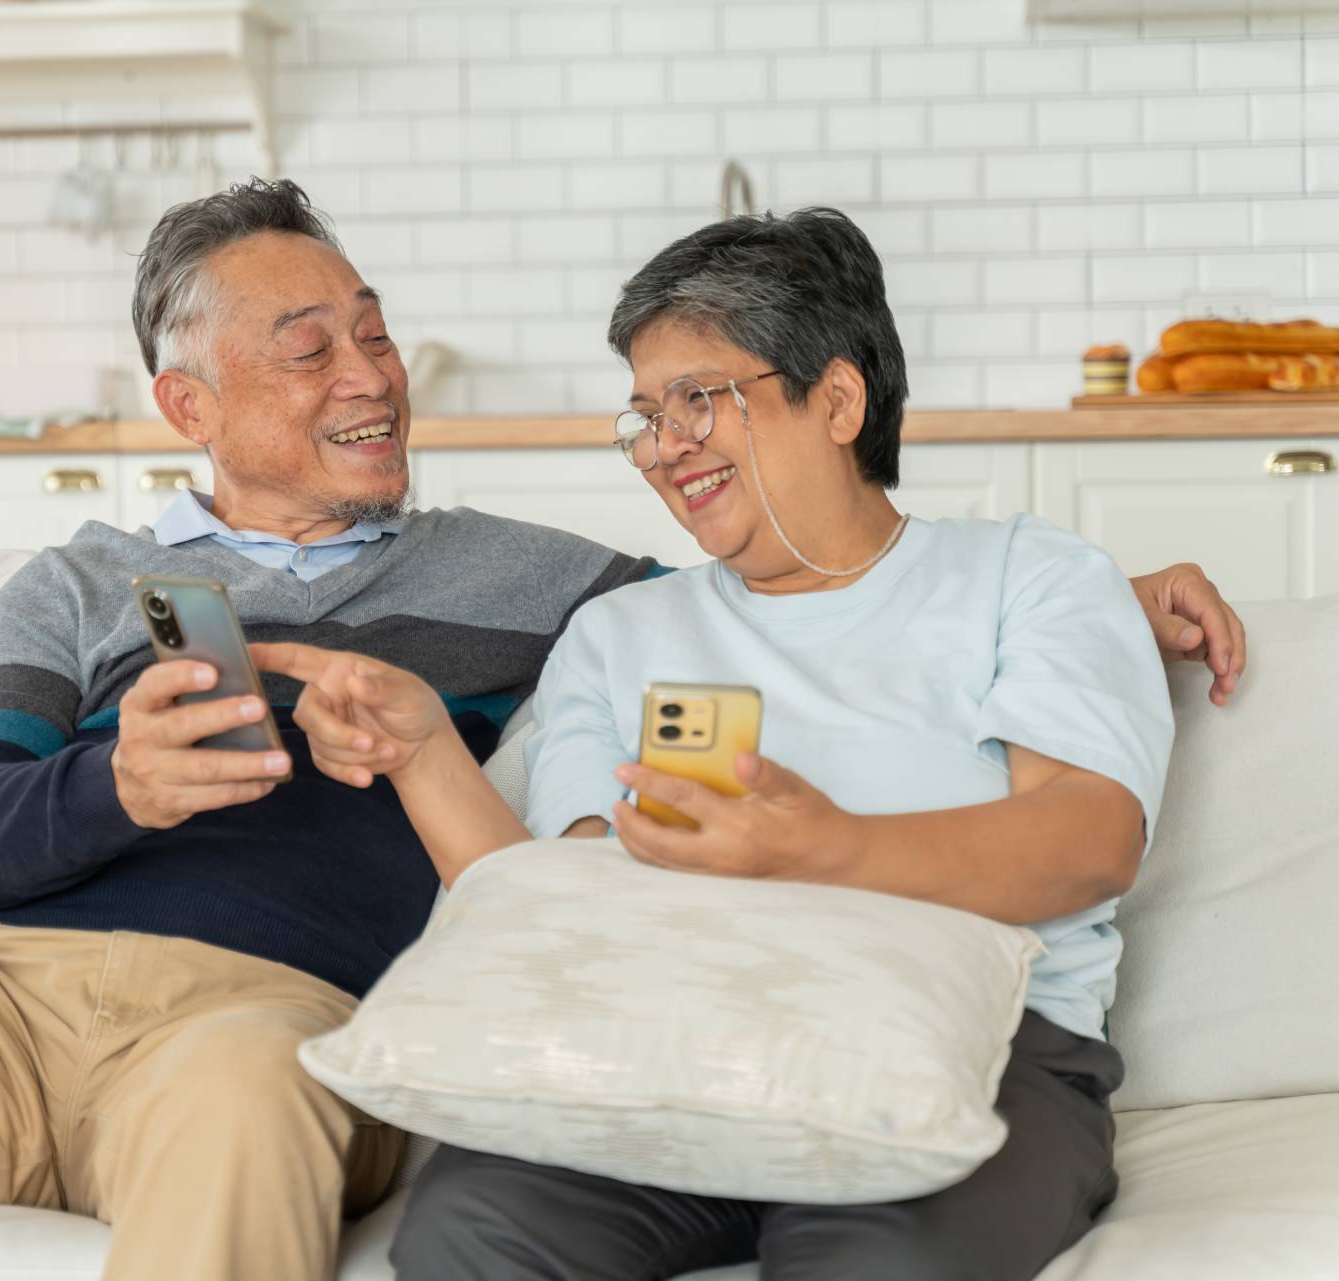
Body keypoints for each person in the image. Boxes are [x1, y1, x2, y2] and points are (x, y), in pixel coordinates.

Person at [0, 183, 1243, 1281]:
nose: (373, 370)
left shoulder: (542, 583)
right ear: (192, 406)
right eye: (314, 347)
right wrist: (118, 781)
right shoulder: (87, 581)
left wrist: (1109, 587)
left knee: (246, 1100)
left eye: (374, 327)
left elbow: (833, 579)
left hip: (271, 1018)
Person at [254, 207, 1197, 1281]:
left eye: (697, 400)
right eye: (644, 417)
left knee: (871, 1262)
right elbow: (563, 895)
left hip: (976, 1047)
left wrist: (822, 850)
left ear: (836, 399)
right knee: (469, 1237)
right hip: (665, 1039)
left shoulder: (1034, 579)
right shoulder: (621, 634)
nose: (662, 448)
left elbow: (1088, 838)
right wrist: (425, 751)